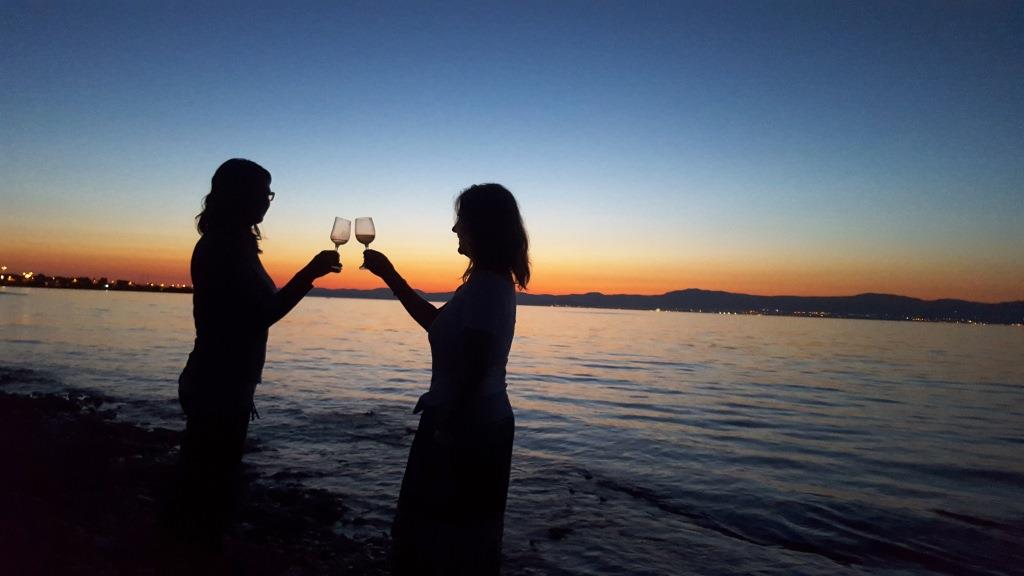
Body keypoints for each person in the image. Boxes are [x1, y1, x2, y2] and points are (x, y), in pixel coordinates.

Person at [172, 158, 339, 551]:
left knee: (207, 475)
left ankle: (190, 547)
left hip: (223, 377)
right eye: (263, 193)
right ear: (238, 195)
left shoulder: (238, 244)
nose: (267, 201)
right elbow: (261, 315)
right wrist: (309, 274)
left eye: (269, 194)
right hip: (218, 380)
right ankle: (190, 553)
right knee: (208, 482)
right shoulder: (224, 247)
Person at [363, 183, 529, 575]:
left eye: (462, 220)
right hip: (473, 421)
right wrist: (390, 276)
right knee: (454, 532)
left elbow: (476, 365)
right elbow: (436, 323)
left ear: (482, 227)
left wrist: (447, 428)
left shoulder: (488, 287)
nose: (455, 229)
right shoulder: (482, 285)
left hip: (470, 427)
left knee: (447, 536)